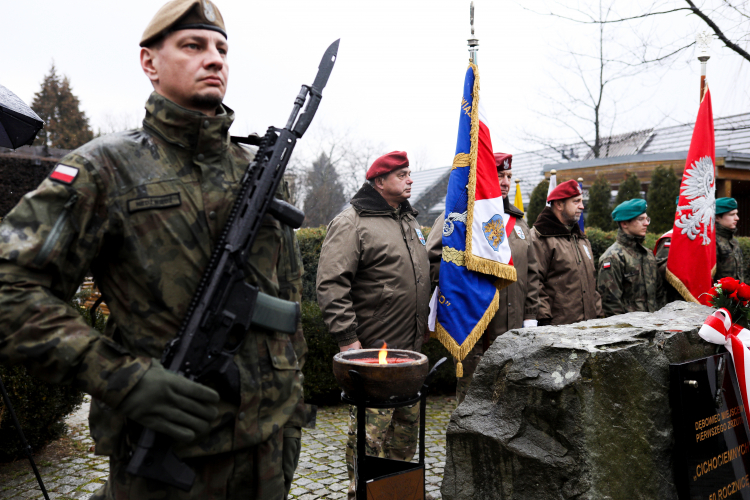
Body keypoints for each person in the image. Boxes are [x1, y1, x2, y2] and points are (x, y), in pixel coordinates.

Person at [0, 1, 307, 498]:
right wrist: (119, 377)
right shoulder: (103, 168)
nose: (215, 60)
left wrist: (291, 414)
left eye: (222, 49)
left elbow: (285, 300)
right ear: (149, 63)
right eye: (193, 45)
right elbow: (8, 288)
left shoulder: (255, 172)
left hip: (269, 455)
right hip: (166, 463)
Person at [316, 151, 430, 498]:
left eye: (409, 174)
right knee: (369, 444)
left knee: (405, 443)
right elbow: (331, 283)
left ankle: (396, 494)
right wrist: (348, 341)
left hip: (409, 359)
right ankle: (362, 495)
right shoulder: (353, 222)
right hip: (372, 360)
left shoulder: (409, 220)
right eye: (401, 175)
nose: (410, 179)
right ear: (379, 182)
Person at [425, 152, 540, 404]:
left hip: (513, 331)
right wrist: (455, 300)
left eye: (508, 175)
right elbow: (433, 261)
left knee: (509, 403)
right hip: (474, 328)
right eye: (499, 175)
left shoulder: (519, 224)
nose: (506, 181)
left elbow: (531, 274)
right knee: (473, 403)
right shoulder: (459, 215)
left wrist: (530, 316)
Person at [530, 179, 601, 325]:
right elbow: (534, 284)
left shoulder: (581, 239)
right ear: (559, 204)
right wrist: (545, 322)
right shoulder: (540, 238)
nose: (582, 206)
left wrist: (599, 316)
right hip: (558, 332)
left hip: (590, 329)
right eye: (576, 201)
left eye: (581, 201)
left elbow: (592, 285)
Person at [597, 199, 661, 316]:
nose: (646, 223)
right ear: (624, 224)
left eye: (647, 219)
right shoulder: (612, 258)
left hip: (654, 327)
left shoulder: (648, 255)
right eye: (641, 219)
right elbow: (610, 306)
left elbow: (659, 295)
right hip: (629, 331)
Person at [715, 197, 745, 282]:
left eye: (736, 214)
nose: (737, 218)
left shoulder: (733, 241)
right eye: (732, 215)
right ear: (717, 217)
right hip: (719, 294)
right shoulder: (712, 242)